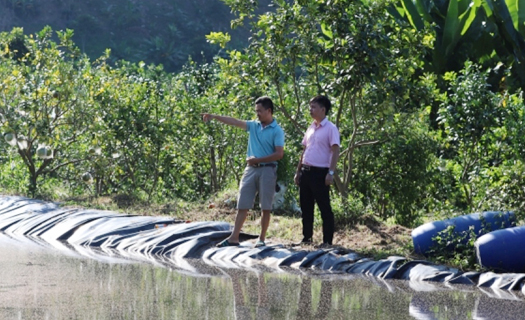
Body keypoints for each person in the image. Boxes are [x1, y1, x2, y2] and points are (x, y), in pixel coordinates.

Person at [201, 96, 284, 248]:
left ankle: (262, 238)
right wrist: (214, 116)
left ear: (269, 111)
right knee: (243, 203)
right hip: (250, 170)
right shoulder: (253, 126)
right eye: (256, 111)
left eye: (259, 111)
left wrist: (257, 160)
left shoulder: (277, 131)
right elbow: (234, 121)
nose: (257, 114)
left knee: (265, 206)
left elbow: (279, 154)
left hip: (267, 170)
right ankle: (234, 237)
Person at [294, 95, 340, 246]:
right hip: (306, 171)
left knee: (324, 208)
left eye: (314, 107)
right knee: (306, 207)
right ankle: (307, 238)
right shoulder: (311, 127)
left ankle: (327, 241)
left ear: (323, 109)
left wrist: (330, 173)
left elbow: (335, 151)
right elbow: (305, 150)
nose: (311, 110)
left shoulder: (330, 128)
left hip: (320, 173)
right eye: (310, 107)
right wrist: (298, 171)